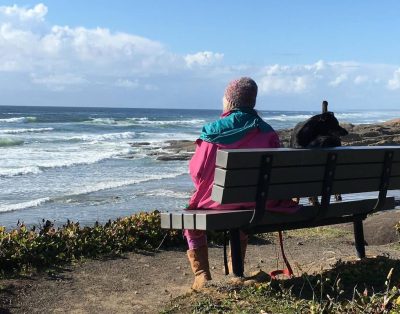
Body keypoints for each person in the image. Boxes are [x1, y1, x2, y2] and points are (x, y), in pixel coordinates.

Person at [185, 77, 299, 290]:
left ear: (229, 101)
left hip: (220, 202)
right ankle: (235, 270)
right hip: (258, 203)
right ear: (252, 102)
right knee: (242, 213)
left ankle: (202, 276)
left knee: (191, 221)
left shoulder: (213, 130)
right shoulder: (268, 132)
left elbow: (198, 172)